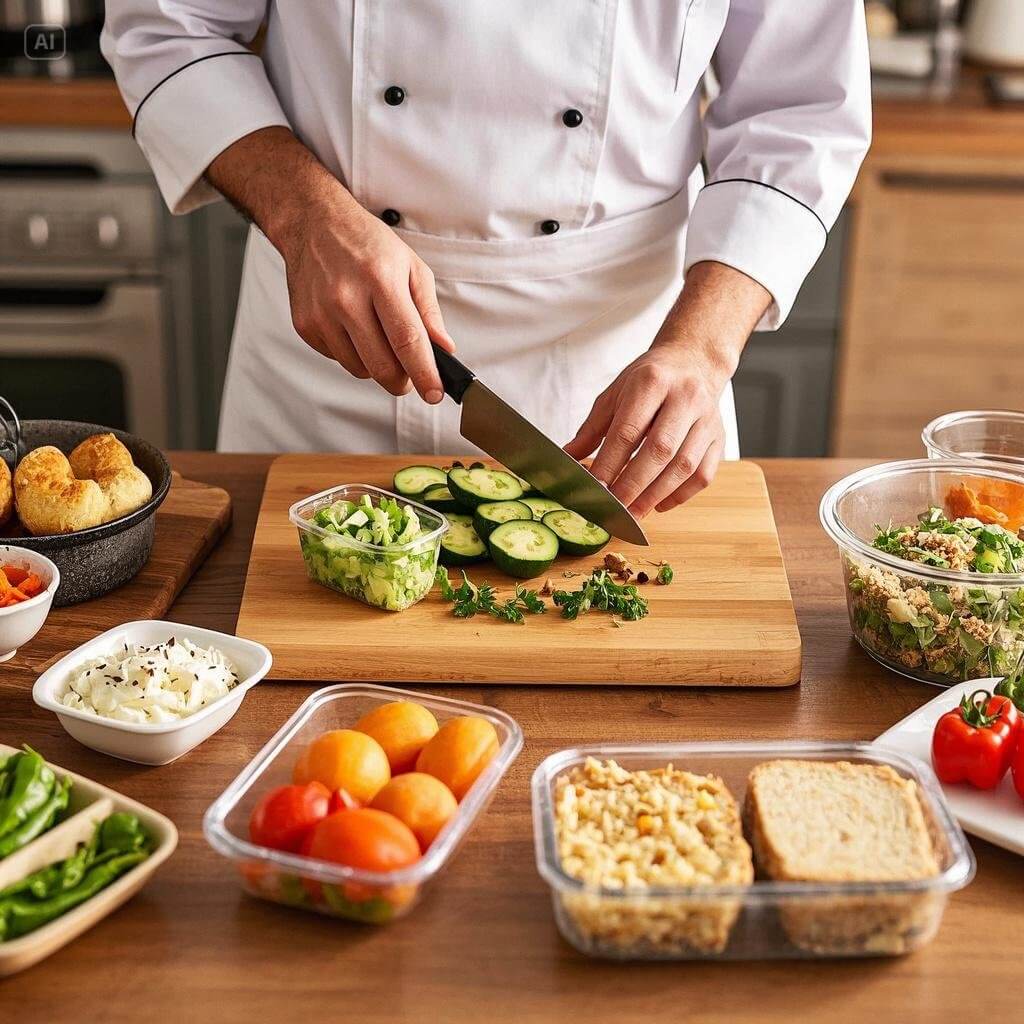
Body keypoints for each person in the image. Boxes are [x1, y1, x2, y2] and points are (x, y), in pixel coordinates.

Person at [102, 2, 870, 517]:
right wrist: (305, 218)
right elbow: (168, 25)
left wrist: (704, 345)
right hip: (326, 341)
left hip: (616, 375)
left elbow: (798, 105)